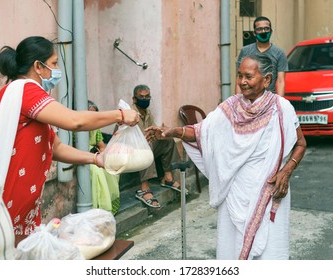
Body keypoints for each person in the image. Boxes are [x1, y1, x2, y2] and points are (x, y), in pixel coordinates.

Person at [146, 54, 307, 260]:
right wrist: (172, 132)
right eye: (239, 76)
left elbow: (300, 144)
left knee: (269, 255)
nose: (242, 82)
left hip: (270, 190)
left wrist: (286, 171)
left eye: (248, 76)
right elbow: (201, 132)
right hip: (234, 191)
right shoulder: (230, 107)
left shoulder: (282, 108)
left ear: (266, 80)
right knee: (231, 250)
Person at [0, 36, 139, 246]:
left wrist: (97, 159)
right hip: (8, 202)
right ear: (38, 67)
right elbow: (74, 120)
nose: (57, 69)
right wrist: (120, 115)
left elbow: (56, 147)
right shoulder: (26, 89)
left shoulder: (21, 94)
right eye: (53, 63)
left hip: (23, 206)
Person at [130, 84, 183, 208]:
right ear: (134, 99)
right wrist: (148, 137)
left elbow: (152, 131)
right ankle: (144, 187)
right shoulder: (130, 113)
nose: (145, 99)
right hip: (130, 150)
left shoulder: (147, 112)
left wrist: (160, 132)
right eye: (141, 97)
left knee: (167, 140)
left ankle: (167, 178)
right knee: (145, 145)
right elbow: (131, 137)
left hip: (145, 145)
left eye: (147, 97)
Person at [236, 16, 288, 96]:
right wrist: (237, 101)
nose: (263, 31)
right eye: (259, 29)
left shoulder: (279, 53)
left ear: (271, 31)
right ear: (254, 32)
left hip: (269, 100)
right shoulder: (245, 51)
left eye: (266, 28)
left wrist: (280, 103)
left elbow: (281, 81)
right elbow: (239, 77)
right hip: (248, 98)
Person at [88, 100, 120, 215]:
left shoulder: (95, 128)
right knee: (97, 171)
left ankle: (111, 205)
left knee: (110, 166)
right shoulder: (75, 130)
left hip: (95, 155)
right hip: (84, 158)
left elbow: (102, 146)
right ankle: (100, 207)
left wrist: (107, 156)